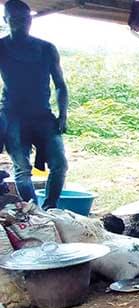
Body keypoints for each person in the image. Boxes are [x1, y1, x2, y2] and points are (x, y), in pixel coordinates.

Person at [0, 0, 69, 209]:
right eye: (14, 20)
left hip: (43, 116)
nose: (20, 25)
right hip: (12, 117)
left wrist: (63, 115)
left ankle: (50, 207)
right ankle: (35, 211)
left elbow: (60, 86)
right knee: (22, 169)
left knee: (60, 165)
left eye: (24, 20)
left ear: (30, 20)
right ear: (5, 20)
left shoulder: (46, 49)